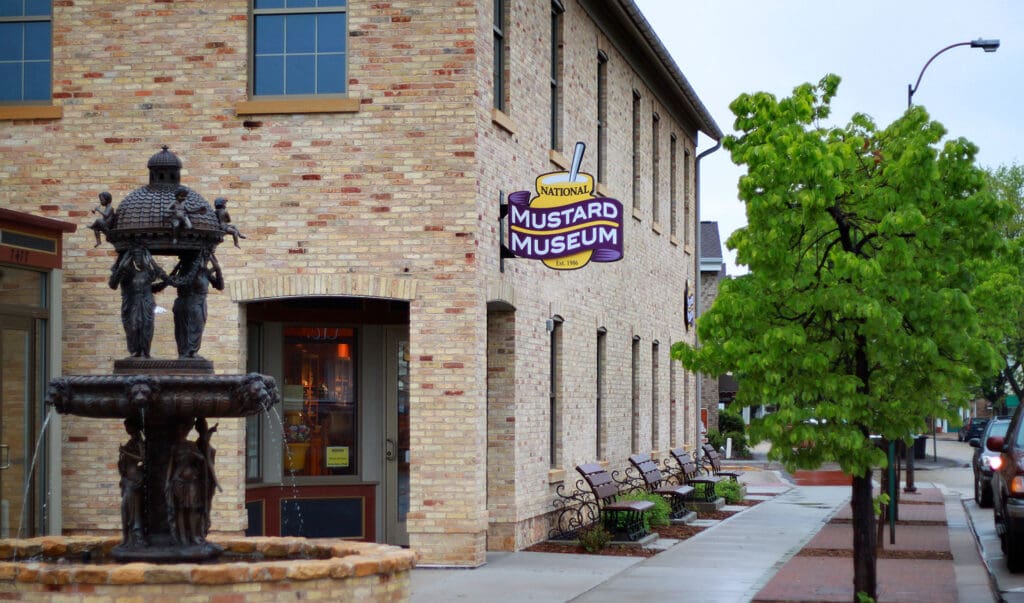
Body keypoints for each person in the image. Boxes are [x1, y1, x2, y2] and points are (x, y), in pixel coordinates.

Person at [108, 246, 170, 357]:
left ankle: (145, 352)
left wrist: (150, 259)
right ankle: (135, 351)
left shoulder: (148, 273)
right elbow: (113, 284)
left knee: (146, 328)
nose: (138, 259)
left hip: (146, 305)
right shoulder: (127, 273)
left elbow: (161, 275)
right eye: (135, 257)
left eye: (140, 256)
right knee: (133, 327)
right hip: (132, 305)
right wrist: (122, 264)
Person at [169, 250, 223, 358]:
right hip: (190, 305)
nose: (206, 261)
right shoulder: (190, 272)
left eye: (207, 258)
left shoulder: (204, 272)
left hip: (195, 304)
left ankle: (190, 352)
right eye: (205, 258)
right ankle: (189, 352)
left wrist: (217, 269)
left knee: (194, 329)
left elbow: (220, 286)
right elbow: (171, 280)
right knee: (188, 330)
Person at [165, 418, 208, 546]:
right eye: (180, 429)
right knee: (180, 510)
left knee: (193, 509)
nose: (182, 431)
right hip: (178, 482)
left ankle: (194, 536)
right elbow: (170, 467)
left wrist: (194, 455)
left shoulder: (191, 445)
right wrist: (167, 482)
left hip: (192, 482)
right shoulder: (174, 447)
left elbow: (202, 460)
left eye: (184, 429)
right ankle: (182, 537)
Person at [118, 415, 147, 548]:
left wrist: (125, 452)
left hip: (134, 480)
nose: (127, 429)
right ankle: (127, 537)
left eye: (128, 426)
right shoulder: (131, 442)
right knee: (125, 509)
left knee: (132, 510)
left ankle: (136, 537)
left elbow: (142, 457)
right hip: (127, 480)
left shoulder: (139, 442)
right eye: (125, 427)